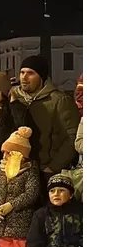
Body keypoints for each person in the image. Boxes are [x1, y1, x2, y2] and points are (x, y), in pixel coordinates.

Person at [16, 55, 80, 187]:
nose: (24, 77)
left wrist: (53, 167)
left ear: (41, 77)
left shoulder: (59, 100)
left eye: (30, 73)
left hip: (47, 171)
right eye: (22, 72)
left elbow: (71, 136)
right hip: (20, 170)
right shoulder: (16, 99)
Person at [25, 174, 82, 247]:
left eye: (61, 190)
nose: (56, 194)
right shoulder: (41, 215)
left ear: (70, 194)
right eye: (52, 191)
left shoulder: (82, 212)